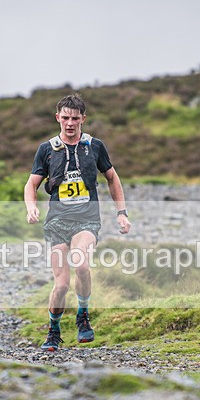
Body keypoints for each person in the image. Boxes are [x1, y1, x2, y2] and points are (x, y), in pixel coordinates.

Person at [24, 93, 131, 351]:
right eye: (65, 118)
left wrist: (122, 212)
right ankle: (53, 330)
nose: (69, 123)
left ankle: (83, 316)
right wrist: (31, 207)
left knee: (81, 265)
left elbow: (112, 178)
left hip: (87, 220)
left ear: (83, 119)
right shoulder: (47, 149)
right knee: (60, 285)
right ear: (57, 118)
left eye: (75, 118)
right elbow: (31, 184)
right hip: (57, 223)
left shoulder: (94, 146)